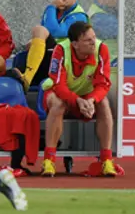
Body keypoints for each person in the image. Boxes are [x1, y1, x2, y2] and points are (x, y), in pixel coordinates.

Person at [40, 21, 117, 177]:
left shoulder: (101, 49)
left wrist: (91, 100)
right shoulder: (61, 50)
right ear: (74, 44)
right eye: (88, 40)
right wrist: (77, 100)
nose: (93, 43)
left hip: (87, 95)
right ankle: (49, 161)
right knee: (58, 104)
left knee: (104, 102)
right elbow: (59, 85)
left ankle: (107, 160)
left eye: (94, 38)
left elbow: (103, 83)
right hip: (60, 93)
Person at [13, 0, 90, 91]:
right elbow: (44, 33)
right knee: (12, 73)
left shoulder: (79, 15)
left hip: (65, 62)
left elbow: (54, 31)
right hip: (49, 58)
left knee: (39, 29)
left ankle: (27, 78)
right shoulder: (55, 11)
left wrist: (51, 7)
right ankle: (21, 81)